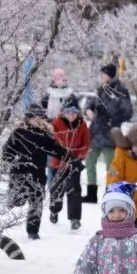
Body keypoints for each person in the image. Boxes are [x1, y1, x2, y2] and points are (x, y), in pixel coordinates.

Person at [2, 103, 69, 240]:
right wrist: (7, 160)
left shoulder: (44, 135)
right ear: (28, 118)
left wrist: (69, 156)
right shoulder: (19, 132)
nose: (38, 120)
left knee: (36, 202)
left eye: (40, 118)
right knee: (19, 200)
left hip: (38, 174)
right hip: (19, 173)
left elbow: (56, 149)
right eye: (35, 117)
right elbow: (7, 150)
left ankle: (33, 231)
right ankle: (13, 197)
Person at [83, 63, 133, 203]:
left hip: (110, 135)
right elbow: (90, 103)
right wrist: (88, 110)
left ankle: (111, 193)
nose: (102, 76)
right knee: (90, 162)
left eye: (104, 74)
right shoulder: (100, 89)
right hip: (95, 133)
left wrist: (112, 120)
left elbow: (128, 112)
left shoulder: (121, 90)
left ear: (109, 75)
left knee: (112, 167)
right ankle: (91, 194)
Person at [48, 95, 89, 229]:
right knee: (56, 190)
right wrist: (62, 156)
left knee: (74, 190)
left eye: (74, 112)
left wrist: (78, 157)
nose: (71, 115)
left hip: (74, 163)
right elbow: (51, 143)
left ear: (78, 113)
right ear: (64, 112)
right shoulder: (56, 124)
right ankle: (54, 211)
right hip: (58, 163)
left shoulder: (82, 125)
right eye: (68, 112)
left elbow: (85, 144)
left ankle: (75, 218)